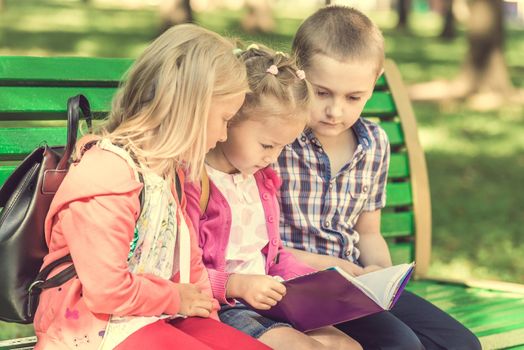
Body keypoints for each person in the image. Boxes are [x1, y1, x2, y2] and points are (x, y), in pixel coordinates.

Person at [33, 24, 269, 350]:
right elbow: (106, 290)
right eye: (224, 119)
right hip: (90, 328)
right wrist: (175, 298)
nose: (224, 135)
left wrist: (208, 319)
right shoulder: (108, 174)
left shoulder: (167, 172)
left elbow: (190, 268)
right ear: (188, 111)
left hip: (152, 314)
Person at [274, 6, 482, 350]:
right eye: (322, 92)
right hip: (291, 286)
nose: (335, 110)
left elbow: (368, 232)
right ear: (298, 74)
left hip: (352, 289)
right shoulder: (277, 139)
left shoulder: (374, 144)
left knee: (460, 343)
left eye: (353, 97)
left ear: (375, 81)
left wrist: (379, 274)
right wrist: (340, 270)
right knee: (401, 345)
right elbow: (259, 243)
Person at [185, 45, 362, 350]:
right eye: (267, 144)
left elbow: (274, 257)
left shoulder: (261, 181)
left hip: (269, 300)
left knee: (349, 346)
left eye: (282, 147)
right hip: (223, 307)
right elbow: (185, 271)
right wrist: (238, 285)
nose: (272, 157)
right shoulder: (196, 182)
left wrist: (316, 284)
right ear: (230, 120)